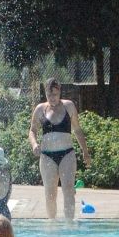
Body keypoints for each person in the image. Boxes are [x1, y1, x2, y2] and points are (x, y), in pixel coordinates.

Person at [28, 78, 91, 220]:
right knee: (50, 194)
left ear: (60, 92)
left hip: (67, 154)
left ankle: (69, 225)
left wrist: (85, 152)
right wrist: (34, 144)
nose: (52, 98)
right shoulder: (40, 109)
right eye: (49, 95)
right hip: (47, 156)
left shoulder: (69, 106)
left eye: (55, 95)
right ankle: (52, 224)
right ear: (46, 93)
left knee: (68, 190)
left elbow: (78, 130)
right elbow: (32, 131)